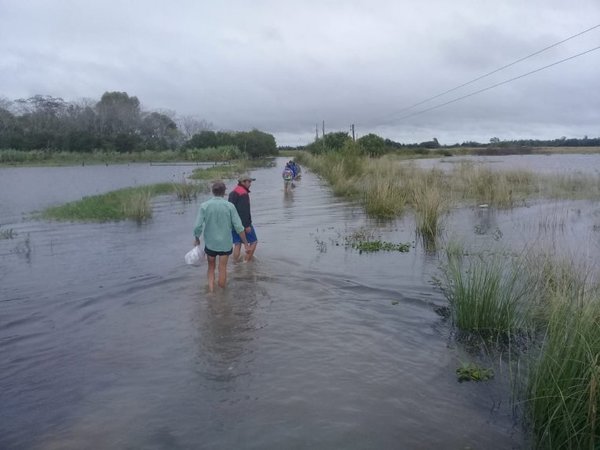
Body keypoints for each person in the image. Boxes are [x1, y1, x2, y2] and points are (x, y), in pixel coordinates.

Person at [193, 180, 249, 292]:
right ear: (224, 192)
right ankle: (222, 294)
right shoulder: (230, 206)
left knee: (211, 267)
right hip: (225, 243)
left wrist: (197, 238)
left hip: (210, 244)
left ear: (212, 191)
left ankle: (211, 291)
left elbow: (197, 226)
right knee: (222, 268)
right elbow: (239, 226)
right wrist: (246, 243)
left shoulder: (205, 206)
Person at [228, 174, 258, 262]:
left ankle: (235, 264)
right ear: (243, 182)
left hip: (232, 223)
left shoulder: (233, 192)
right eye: (249, 182)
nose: (250, 184)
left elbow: (230, 209)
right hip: (242, 223)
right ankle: (246, 262)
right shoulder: (243, 193)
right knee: (254, 241)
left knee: (237, 244)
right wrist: (247, 225)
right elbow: (244, 211)